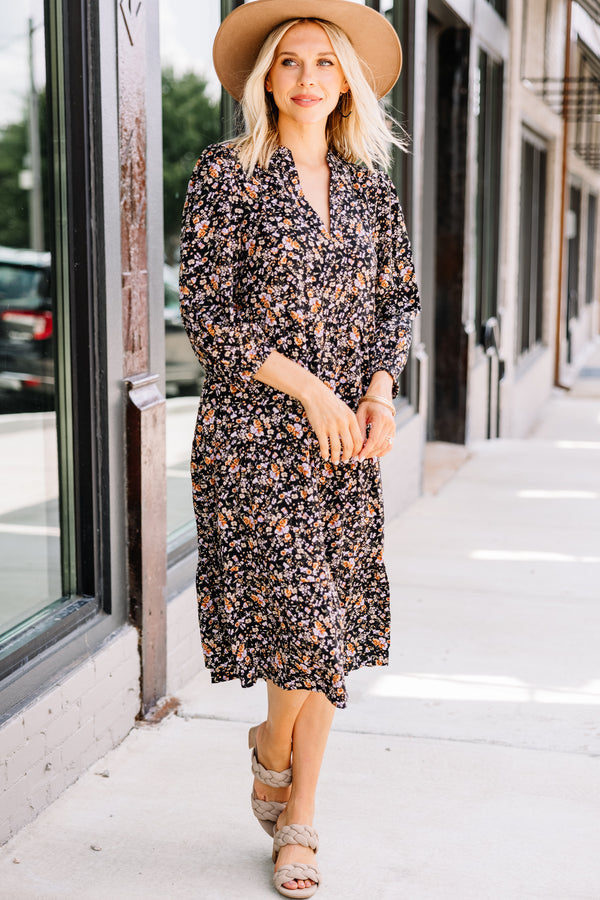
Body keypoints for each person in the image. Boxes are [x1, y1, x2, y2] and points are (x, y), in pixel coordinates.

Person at [179, 1, 420, 896]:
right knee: (304, 623)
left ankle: (298, 817)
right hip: (253, 440)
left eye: (325, 62)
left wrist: (378, 395)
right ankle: (272, 752)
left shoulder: (369, 188)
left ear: (346, 82)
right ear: (266, 81)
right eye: (290, 62)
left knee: (330, 634)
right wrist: (312, 388)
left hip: (348, 445)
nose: (309, 77)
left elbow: (399, 304)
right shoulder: (227, 174)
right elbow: (207, 313)